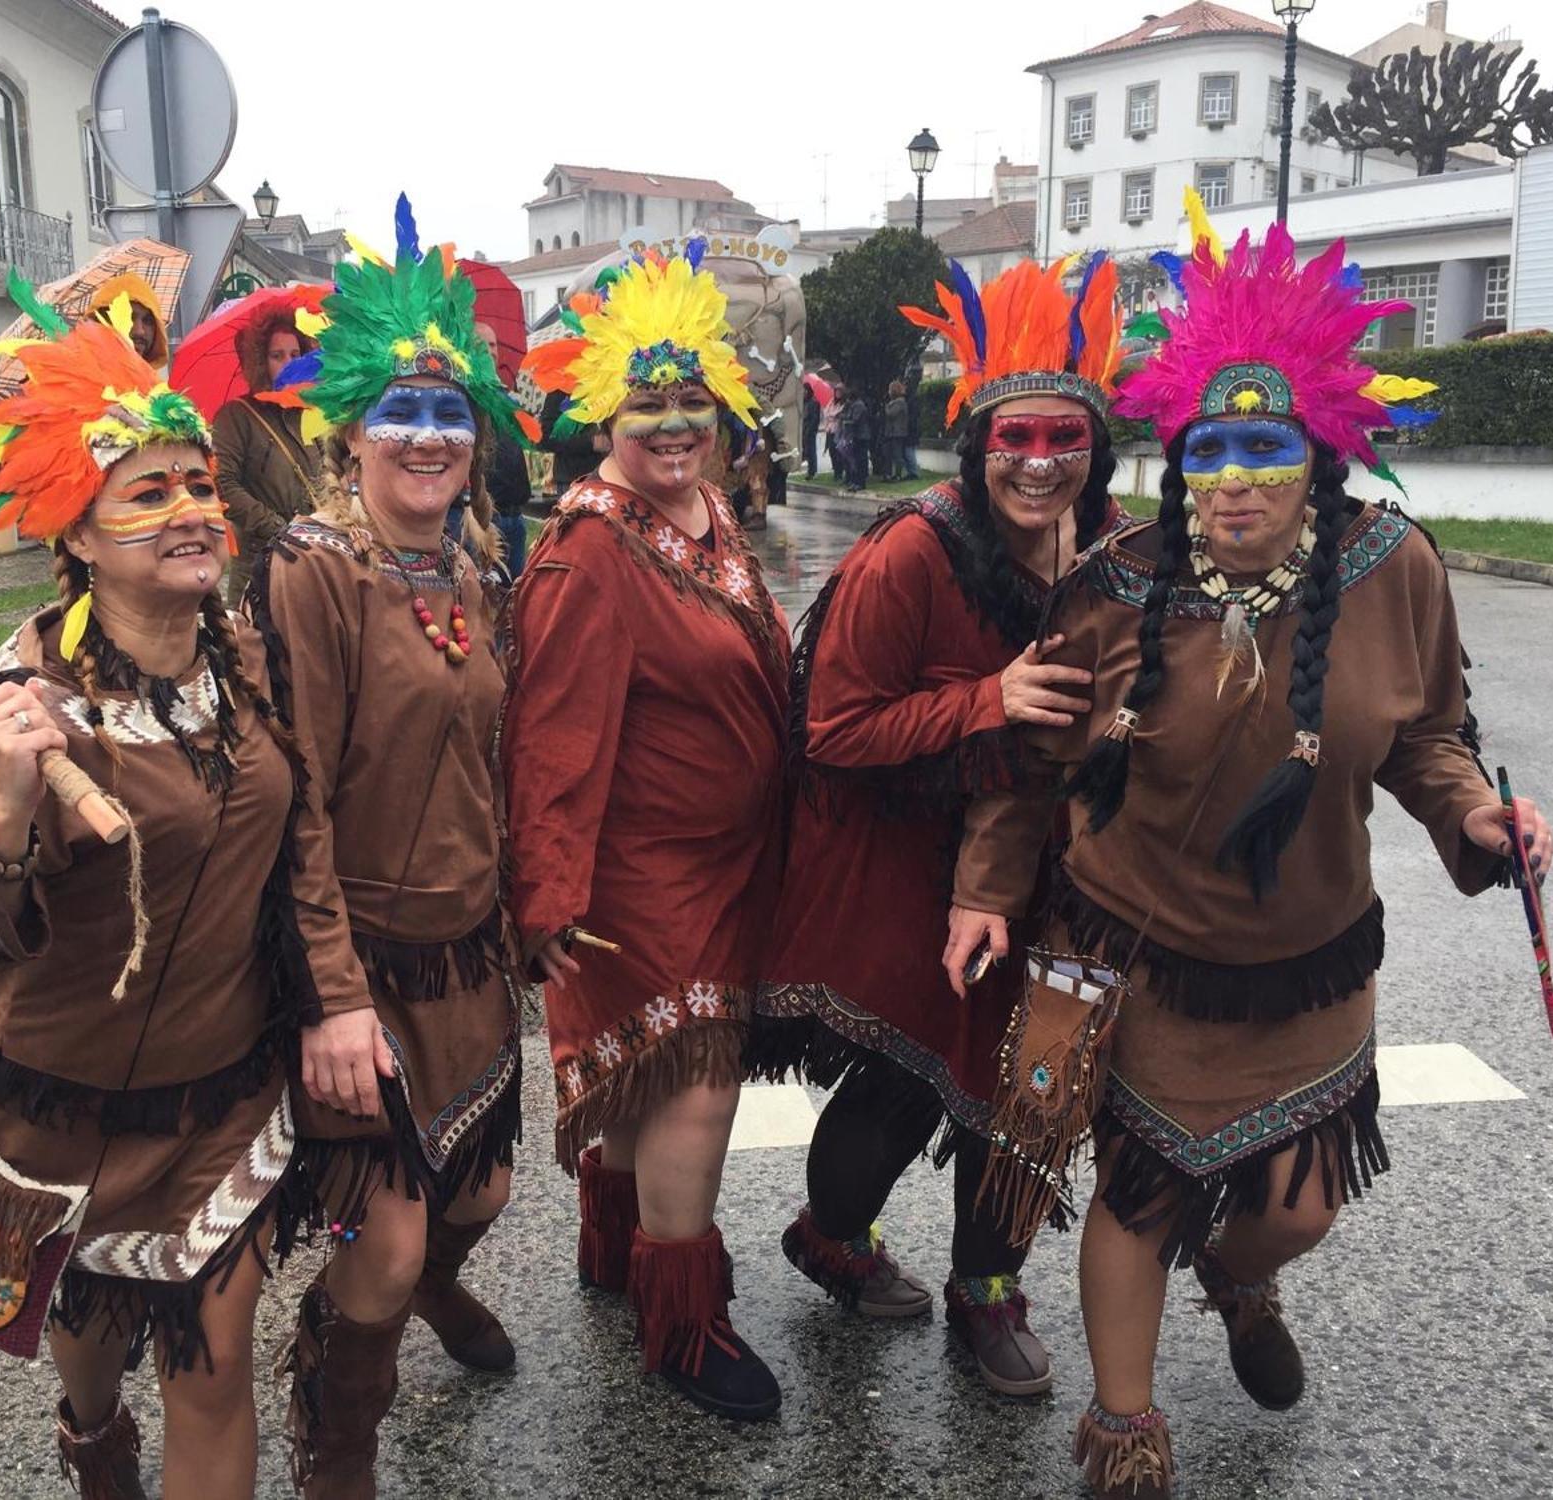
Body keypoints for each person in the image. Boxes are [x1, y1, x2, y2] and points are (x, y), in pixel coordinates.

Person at [942, 200, 1553, 1499]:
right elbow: (1026, 764)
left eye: (1265, 447)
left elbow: (1431, 736)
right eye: (1210, 447)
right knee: (1139, 1196)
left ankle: (1243, 1277)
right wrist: (987, 893)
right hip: (1133, 961)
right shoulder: (1117, 579)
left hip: (1303, 969)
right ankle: (1124, 1441)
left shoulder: (1394, 569)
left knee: (1299, 1206)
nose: (1232, 476)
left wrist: (1477, 819)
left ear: (1317, 452)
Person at [0, 300, 354, 1500]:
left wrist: (332, 999)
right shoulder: (16, 703)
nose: (192, 510)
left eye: (196, 483)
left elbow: (300, 833)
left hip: (221, 1094)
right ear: (79, 538)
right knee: (92, 1334)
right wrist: (6, 804)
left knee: (212, 1375)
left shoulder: (246, 663)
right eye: (146, 494)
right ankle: (91, 1434)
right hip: (59, 1105)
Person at [752, 256, 1126, 1395]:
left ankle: (987, 1292)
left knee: (1031, 1086)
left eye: (1063, 437)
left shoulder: (1120, 544)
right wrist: (987, 700)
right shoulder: (911, 548)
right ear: (976, 445)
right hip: (905, 866)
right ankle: (830, 1236)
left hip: (1064, 874)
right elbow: (832, 729)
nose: (1037, 463)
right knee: (910, 1079)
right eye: (1012, 439)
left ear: (1095, 447)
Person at [261, 199, 536, 1499]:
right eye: (401, 415)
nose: (428, 437)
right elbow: (294, 796)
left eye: (449, 415)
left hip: (468, 956)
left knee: (473, 1201)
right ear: (351, 430)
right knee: (380, 1236)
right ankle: (339, 1412)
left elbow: (499, 765)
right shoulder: (315, 574)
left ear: (476, 438)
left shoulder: (477, 571)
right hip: (362, 963)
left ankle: (413, 1300)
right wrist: (331, 993)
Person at [510, 242, 791, 1421]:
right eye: (645, 406)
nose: (673, 425)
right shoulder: (587, 549)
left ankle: (614, 1248)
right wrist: (548, 898)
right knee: (692, 1082)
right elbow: (552, 743)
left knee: (646, 1077)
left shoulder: (705, 509)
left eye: (692, 403)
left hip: (724, 862)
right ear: (598, 418)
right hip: (638, 876)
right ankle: (682, 1321)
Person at [215, 291, 324, 598]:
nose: (288, 364)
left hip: (313, 561)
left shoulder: (310, 413)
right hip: (259, 567)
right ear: (260, 362)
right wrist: (277, 527)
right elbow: (223, 484)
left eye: (295, 355)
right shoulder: (237, 416)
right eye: (278, 356)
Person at [473, 319, 532, 576]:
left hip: (516, 516)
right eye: (483, 344)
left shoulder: (505, 395)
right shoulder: (469, 394)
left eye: (493, 344)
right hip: (487, 516)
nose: (490, 350)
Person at [89, 273, 171, 370]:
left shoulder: (153, 383)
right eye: (128, 317)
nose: (139, 331)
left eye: (148, 321)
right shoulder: (78, 379)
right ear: (102, 322)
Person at [880, 379, 909, 481]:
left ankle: (898, 475)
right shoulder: (895, 402)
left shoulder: (900, 402)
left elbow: (891, 414)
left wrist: (886, 407)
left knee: (897, 455)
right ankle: (888, 474)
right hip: (891, 432)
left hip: (897, 432)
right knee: (887, 453)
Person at [801, 383, 820, 479]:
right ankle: (810, 470)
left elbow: (814, 419)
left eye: (805, 391)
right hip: (804, 429)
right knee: (806, 450)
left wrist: (810, 430)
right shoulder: (804, 402)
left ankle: (813, 471)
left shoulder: (813, 402)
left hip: (810, 430)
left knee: (811, 450)